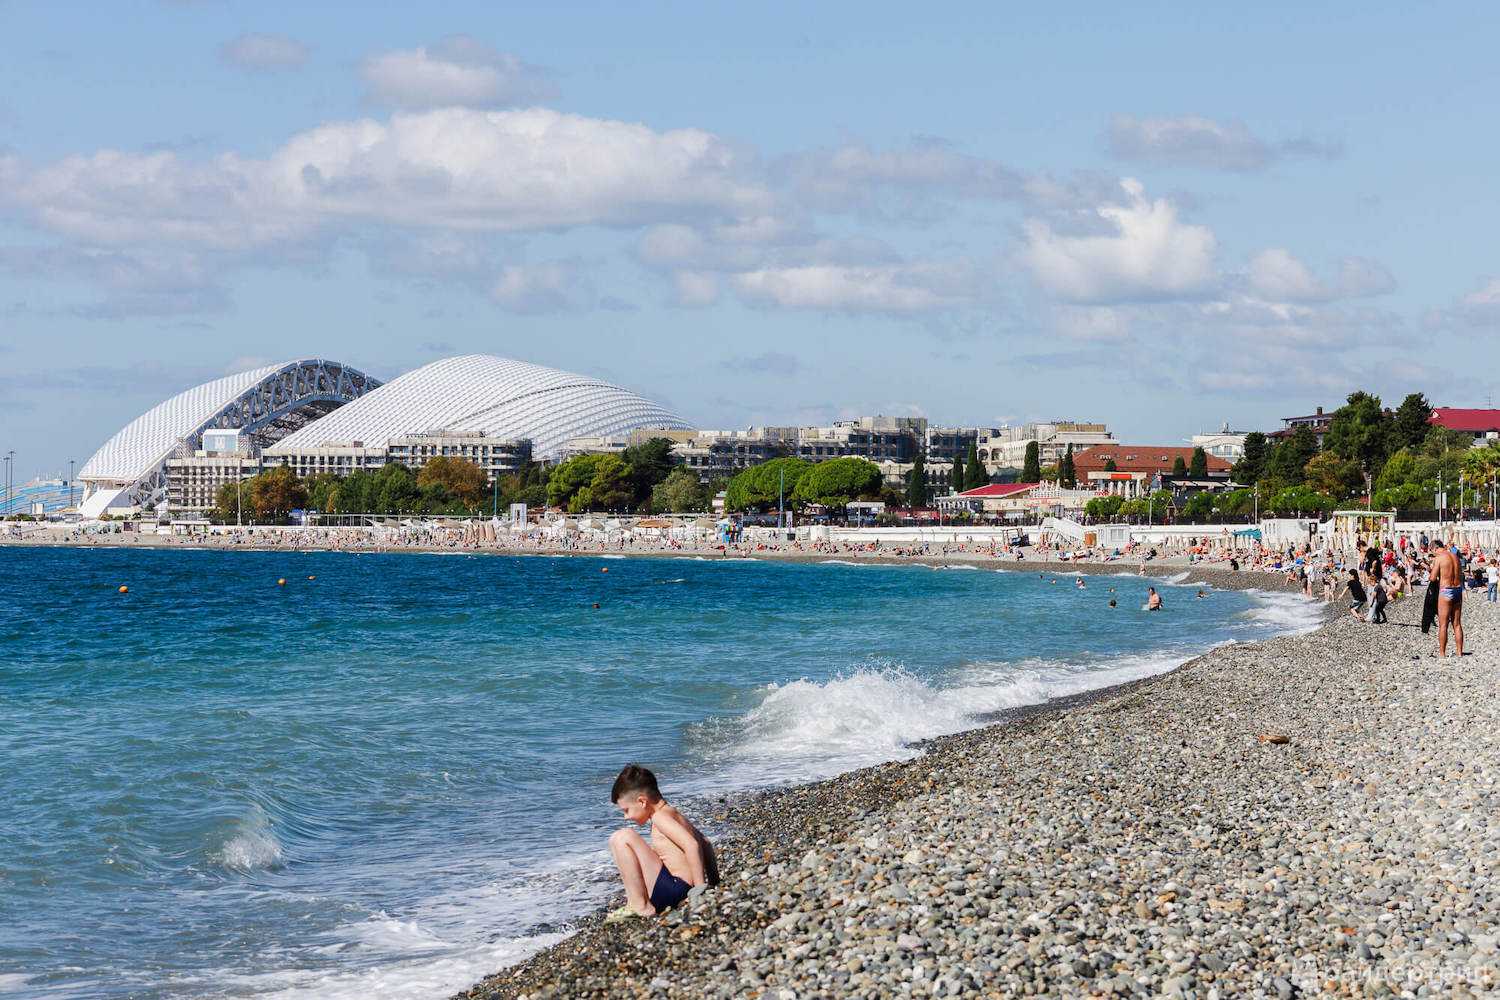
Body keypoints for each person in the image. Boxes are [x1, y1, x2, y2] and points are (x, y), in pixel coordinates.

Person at [605, 764, 718, 921]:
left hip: (675, 889)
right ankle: (640, 902)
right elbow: (705, 843)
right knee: (649, 849)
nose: (626, 817)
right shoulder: (673, 813)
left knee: (621, 837)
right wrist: (714, 882)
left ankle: (640, 906)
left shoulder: (659, 817)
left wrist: (700, 889)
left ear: (642, 801)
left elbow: (692, 845)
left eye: (626, 810)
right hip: (680, 888)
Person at [1431, 540, 1465, 657]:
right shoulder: (1455, 556)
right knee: (1457, 624)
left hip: (1446, 590)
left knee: (1443, 624)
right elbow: (1460, 575)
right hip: (1457, 589)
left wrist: (1430, 569)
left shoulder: (1439, 558)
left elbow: (1432, 578)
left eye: (1432, 551)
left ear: (1435, 548)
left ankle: (1442, 653)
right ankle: (1459, 652)